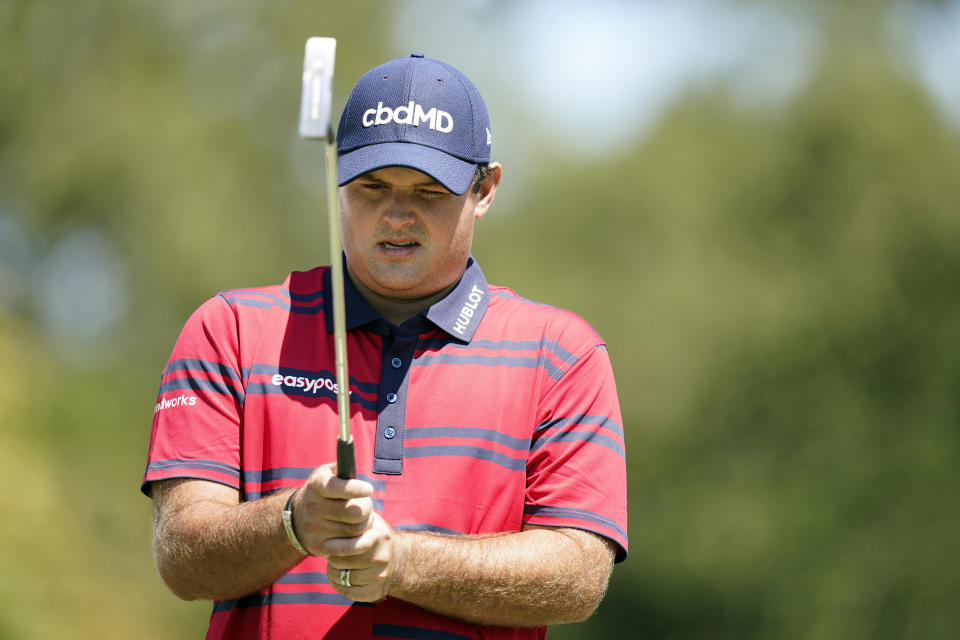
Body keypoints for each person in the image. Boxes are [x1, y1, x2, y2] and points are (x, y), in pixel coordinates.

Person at [142, 52, 628, 640]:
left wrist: (399, 562)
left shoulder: (561, 353)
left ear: (485, 188)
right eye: (372, 186)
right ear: (334, 177)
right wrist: (293, 523)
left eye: (429, 191)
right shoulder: (231, 329)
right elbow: (182, 556)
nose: (398, 216)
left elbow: (578, 574)